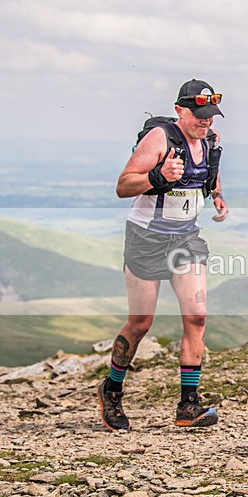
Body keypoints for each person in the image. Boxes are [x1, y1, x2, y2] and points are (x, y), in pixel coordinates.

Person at [97, 79, 228, 431]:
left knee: (197, 316)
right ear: (180, 111)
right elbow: (124, 185)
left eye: (211, 116)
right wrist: (158, 175)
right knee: (141, 323)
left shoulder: (211, 142)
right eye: (199, 116)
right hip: (146, 238)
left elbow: (207, 177)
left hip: (185, 237)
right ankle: (111, 389)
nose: (206, 122)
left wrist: (217, 196)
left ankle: (188, 405)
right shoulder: (159, 139)